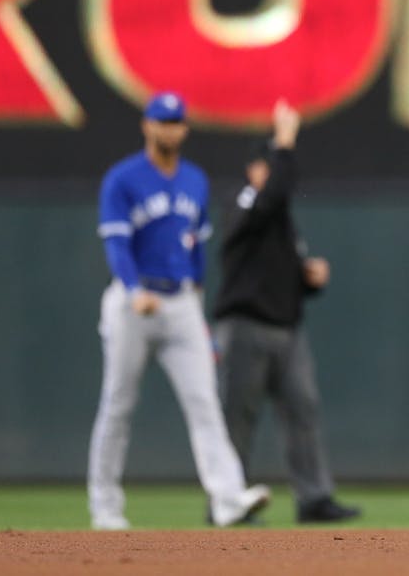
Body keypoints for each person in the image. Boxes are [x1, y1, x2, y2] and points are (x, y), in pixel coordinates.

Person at [88, 91, 272, 530]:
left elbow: (195, 251)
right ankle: (105, 507)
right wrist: (133, 290)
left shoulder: (195, 180)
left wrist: (197, 308)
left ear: (184, 129)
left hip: (182, 302)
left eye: (175, 122)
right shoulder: (123, 179)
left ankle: (228, 500)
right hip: (133, 302)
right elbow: (116, 243)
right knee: (118, 405)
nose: (168, 129)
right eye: (161, 121)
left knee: (205, 403)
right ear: (146, 126)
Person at [213, 99, 361, 524]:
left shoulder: (280, 223)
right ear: (254, 170)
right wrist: (284, 141)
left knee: (303, 412)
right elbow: (275, 193)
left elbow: (274, 273)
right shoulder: (242, 201)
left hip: (286, 328)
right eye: (268, 166)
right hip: (243, 326)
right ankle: (225, 500)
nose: (271, 174)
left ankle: (313, 498)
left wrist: (306, 279)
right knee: (236, 418)